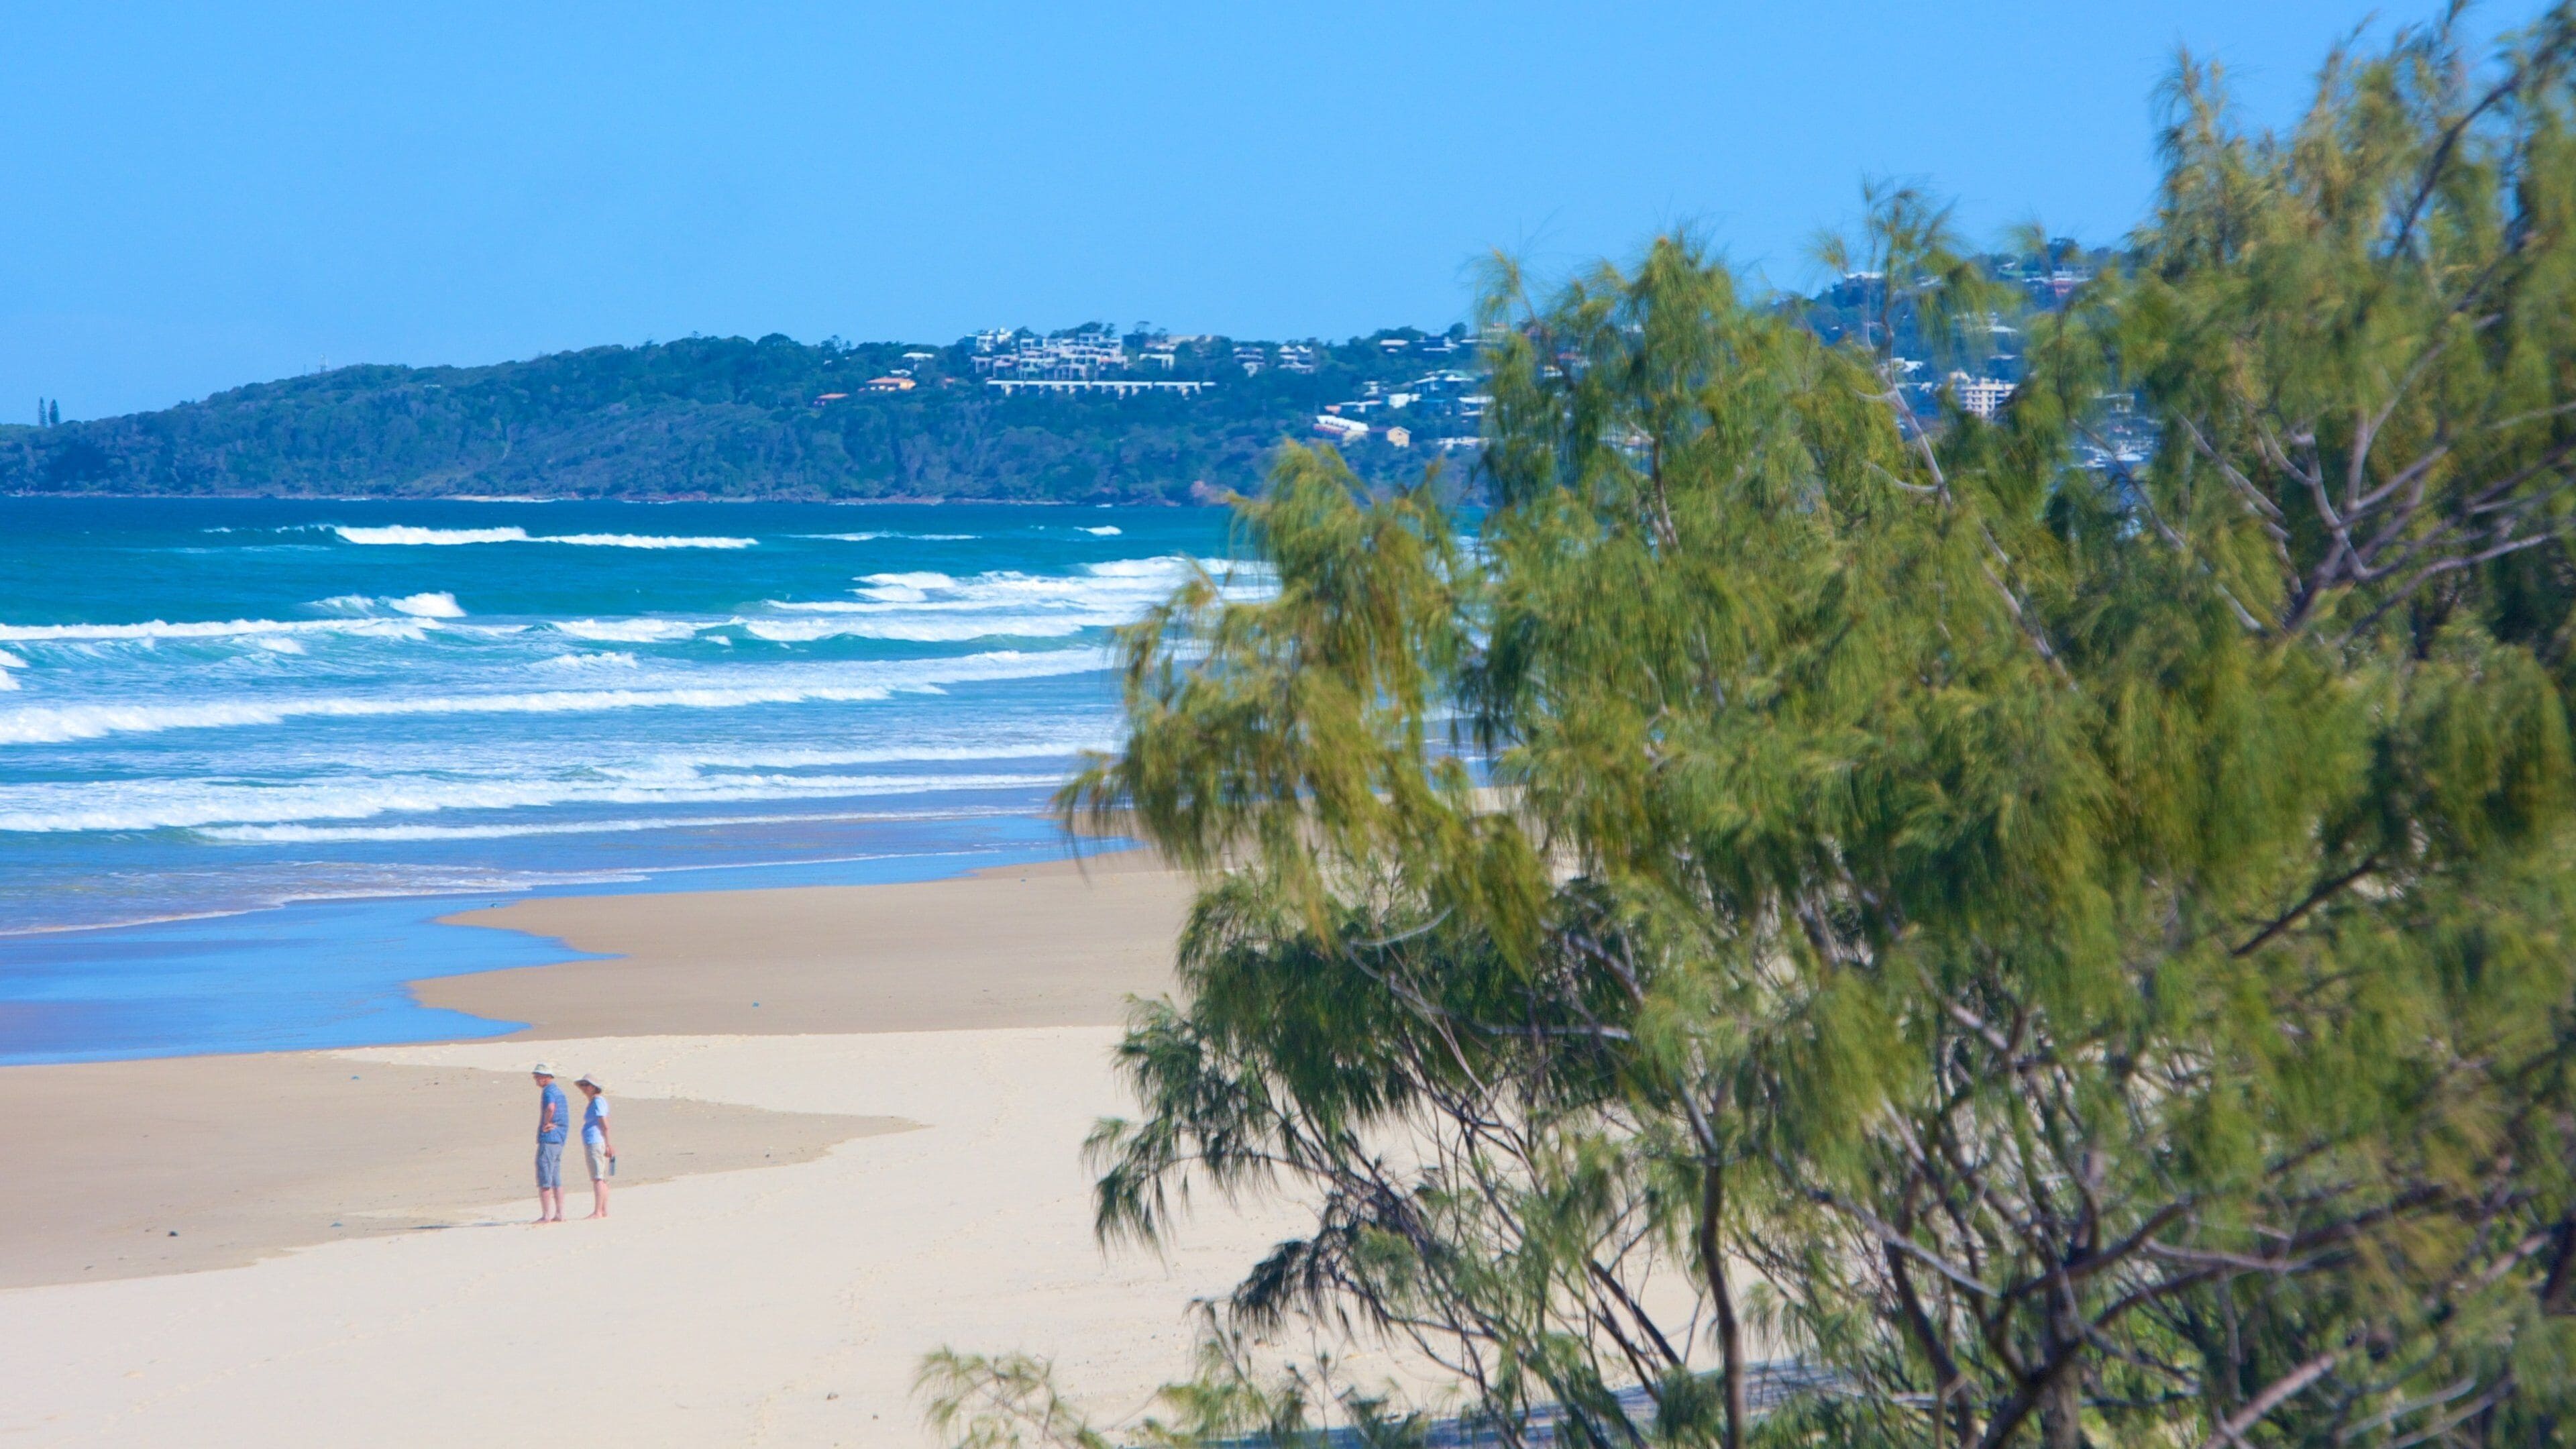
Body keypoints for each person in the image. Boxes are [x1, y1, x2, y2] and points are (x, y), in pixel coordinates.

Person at [531, 1063, 569, 1224]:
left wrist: (547, 1122)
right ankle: (559, 1213)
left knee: (545, 1175)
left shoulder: (549, 1092)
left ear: (546, 1078)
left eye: (538, 1077)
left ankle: (547, 1215)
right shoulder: (559, 1091)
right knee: (555, 1177)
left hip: (550, 1138)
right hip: (560, 1137)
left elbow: (551, 1107)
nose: (536, 1080)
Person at [575, 1073, 616, 1218]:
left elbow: (604, 1124)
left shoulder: (598, 1101)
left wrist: (608, 1144)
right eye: (582, 1085)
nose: (584, 1088)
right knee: (600, 1177)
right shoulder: (596, 1102)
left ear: (594, 1087)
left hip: (595, 1141)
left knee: (598, 1177)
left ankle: (598, 1211)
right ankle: (603, 1210)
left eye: (587, 1085)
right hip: (595, 1141)